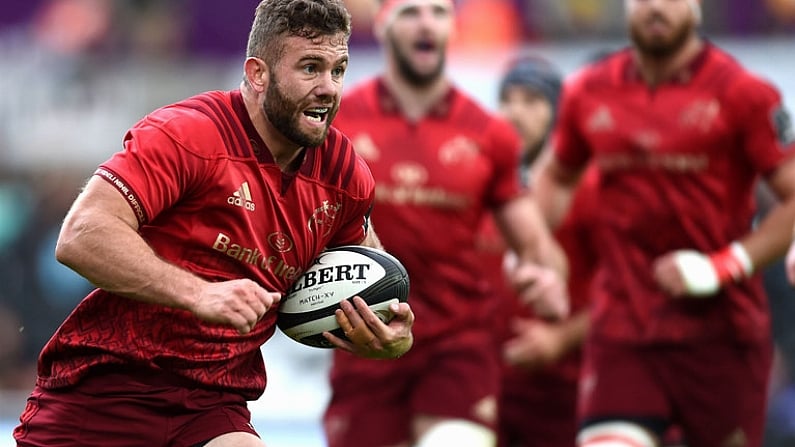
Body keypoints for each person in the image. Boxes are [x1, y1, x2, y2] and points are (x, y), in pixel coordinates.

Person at [13, 1, 415, 446]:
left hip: (212, 407)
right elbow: (80, 236)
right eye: (309, 68)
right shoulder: (188, 135)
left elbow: (374, 275)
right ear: (258, 74)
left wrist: (389, 335)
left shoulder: (344, 174)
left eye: (338, 70)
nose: (328, 88)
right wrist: (198, 293)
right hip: (103, 392)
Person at [531, 1, 795, 447]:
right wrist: (537, 258)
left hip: (721, 336)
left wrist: (721, 266)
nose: (657, 6)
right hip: (623, 329)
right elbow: (557, 177)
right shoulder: (589, 90)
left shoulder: (744, 92)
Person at [322, 1, 569, 446]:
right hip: (363, 341)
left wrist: (549, 280)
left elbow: (537, 249)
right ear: (382, 24)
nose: (426, 24)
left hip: (458, 348)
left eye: (438, 11)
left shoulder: (488, 132)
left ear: (453, 26)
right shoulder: (338, 121)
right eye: (411, 12)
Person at [480, 55, 595, 447]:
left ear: (558, 113)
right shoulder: (479, 185)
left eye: (531, 101)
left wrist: (561, 338)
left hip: (568, 391)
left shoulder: (587, 189)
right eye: (507, 100)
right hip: (489, 389)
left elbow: (627, 290)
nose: (515, 113)